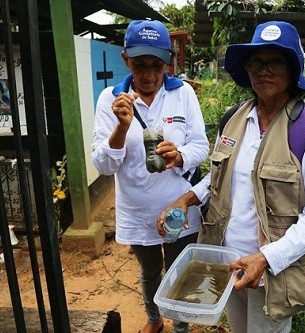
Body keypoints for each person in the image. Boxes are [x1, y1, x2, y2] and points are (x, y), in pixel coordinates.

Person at [157, 21, 305, 332]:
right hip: (226, 259)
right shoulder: (235, 118)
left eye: (275, 61)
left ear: (293, 68)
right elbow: (219, 177)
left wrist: (266, 258)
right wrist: (187, 198)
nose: (263, 70)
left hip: (274, 269)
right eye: (256, 61)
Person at [92, 20, 209, 333]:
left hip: (178, 206)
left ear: (167, 62)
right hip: (137, 209)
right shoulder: (110, 100)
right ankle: (155, 320)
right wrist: (120, 127)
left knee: (180, 270)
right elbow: (104, 166)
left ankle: (180, 327)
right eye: (139, 64)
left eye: (156, 65)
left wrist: (181, 154)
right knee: (149, 271)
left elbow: (201, 145)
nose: (148, 75)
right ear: (126, 60)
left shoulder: (182, 93)